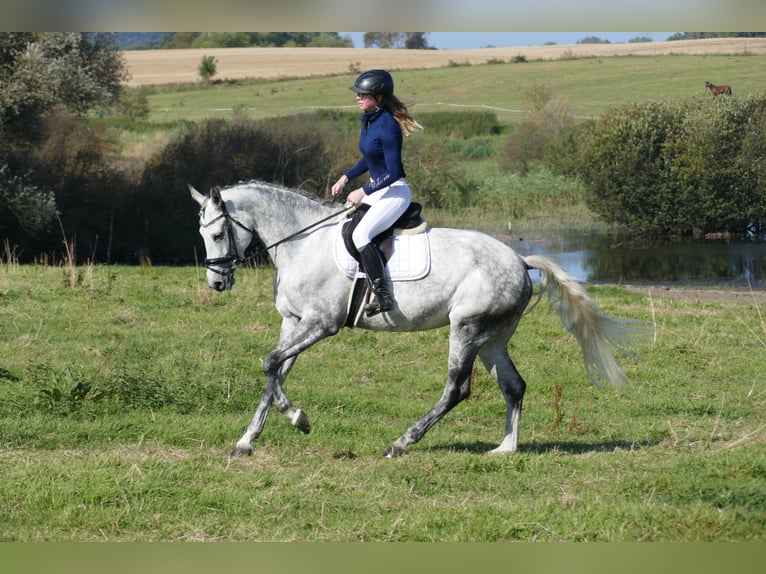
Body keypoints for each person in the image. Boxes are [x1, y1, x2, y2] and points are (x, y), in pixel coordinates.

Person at [331, 69, 423, 316]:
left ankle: (383, 296)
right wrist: (346, 177)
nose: (358, 97)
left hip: (394, 191)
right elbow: (369, 158)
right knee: (341, 220)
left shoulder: (388, 127)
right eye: (358, 94)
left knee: (362, 235)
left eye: (363, 94)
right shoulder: (369, 120)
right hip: (379, 189)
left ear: (379, 97)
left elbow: (393, 172)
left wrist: (364, 189)